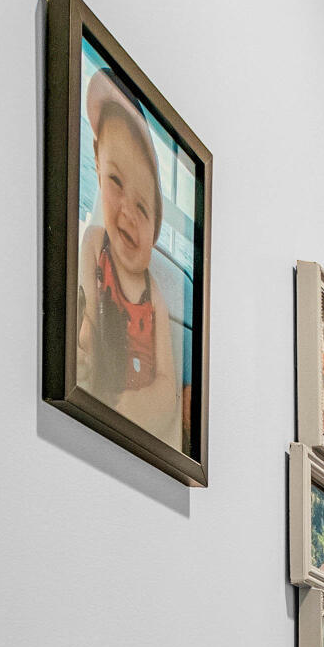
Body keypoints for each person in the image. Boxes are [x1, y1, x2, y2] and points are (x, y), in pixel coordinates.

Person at [71, 69, 187, 448]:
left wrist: (131, 407)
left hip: (133, 412)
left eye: (143, 206)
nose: (127, 214)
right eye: (116, 182)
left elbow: (168, 385)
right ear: (97, 166)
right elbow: (86, 317)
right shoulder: (92, 243)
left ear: (155, 228)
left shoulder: (152, 291)